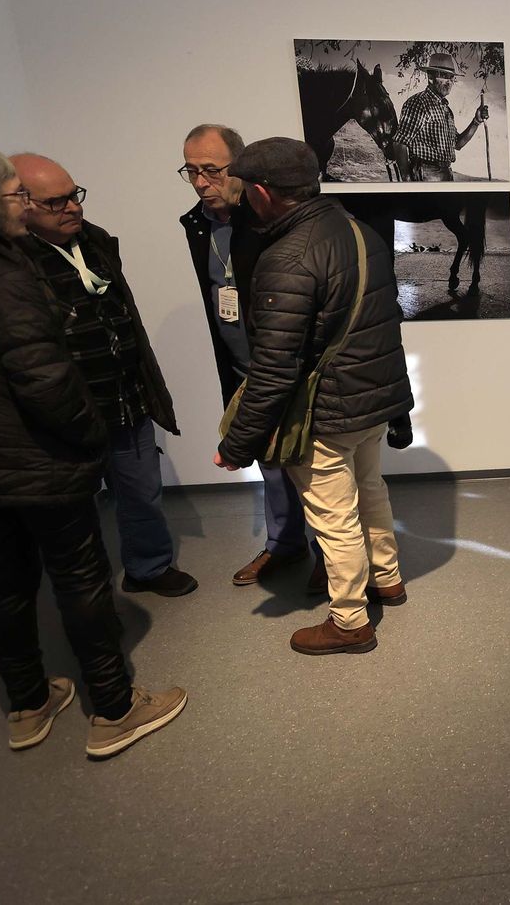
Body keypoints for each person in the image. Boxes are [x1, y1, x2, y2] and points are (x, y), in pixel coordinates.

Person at [0, 145, 185, 758]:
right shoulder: (4, 272)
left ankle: (29, 703)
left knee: (6, 578)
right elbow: (44, 379)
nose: (21, 201)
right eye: (13, 192)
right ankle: (115, 709)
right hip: (35, 460)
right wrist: (88, 435)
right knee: (81, 579)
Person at [214, 138, 414, 655]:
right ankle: (387, 578)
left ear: (261, 193)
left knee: (334, 515)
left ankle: (349, 622)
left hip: (326, 411)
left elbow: (275, 368)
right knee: (370, 490)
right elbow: (388, 329)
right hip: (370, 402)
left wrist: (237, 444)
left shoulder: (288, 255)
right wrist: (399, 406)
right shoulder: (360, 231)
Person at [11, 153, 195, 597]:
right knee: (73, 510)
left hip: (126, 396)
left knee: (142, 491)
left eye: (74, 195)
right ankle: (85, 593)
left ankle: (148, 568)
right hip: (68, 413)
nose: (73, 207)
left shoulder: (95, 242)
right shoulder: (10, 263)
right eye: (56, 202)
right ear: (22, 204)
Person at [177, 123, 325, 590]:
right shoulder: (198, 225)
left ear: (239, 169)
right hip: (242, 372)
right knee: (271, 463)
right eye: (191, 171)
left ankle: (331, 556)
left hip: (291, 372)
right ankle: (284, 544)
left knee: (316, 471)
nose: (202, 183)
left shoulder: (273, 220)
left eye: (212, 171)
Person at [389, 51, 489, 181]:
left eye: (451, 77)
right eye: (444, 76)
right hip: (426, 173)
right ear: (431, 77)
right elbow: (400, 143)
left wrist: (476, 121)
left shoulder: (446, 110)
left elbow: (457, 144)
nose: (449, 82)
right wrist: (407, 180)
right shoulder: (419, 103)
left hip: (446, 173)